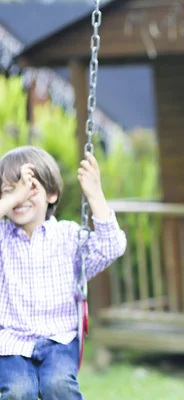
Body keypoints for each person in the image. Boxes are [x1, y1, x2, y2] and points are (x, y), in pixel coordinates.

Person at [0, 146, 127, 400]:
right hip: (11, 342)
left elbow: (112, 247)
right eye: (9, 190)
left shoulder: (69, 236)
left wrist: (95, 194)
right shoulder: (3, 239)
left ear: (52, 194)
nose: (21, 195)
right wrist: (16, 196)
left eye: (30, 187)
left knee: (58, 385)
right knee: (17, 391)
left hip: (59, 339)